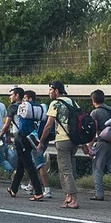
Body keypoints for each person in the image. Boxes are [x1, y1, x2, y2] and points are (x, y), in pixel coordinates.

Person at [37, 80, 79, 209]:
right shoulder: (72, 101)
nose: (49, 92)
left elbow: (49, 125)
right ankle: (68, 196)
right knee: (69, 169)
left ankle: (74, 199)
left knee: (65, 170)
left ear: (56, 91)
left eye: (50, 89)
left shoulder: (55, 104)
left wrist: (41, 141)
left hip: (62, 140)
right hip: (74, 140)